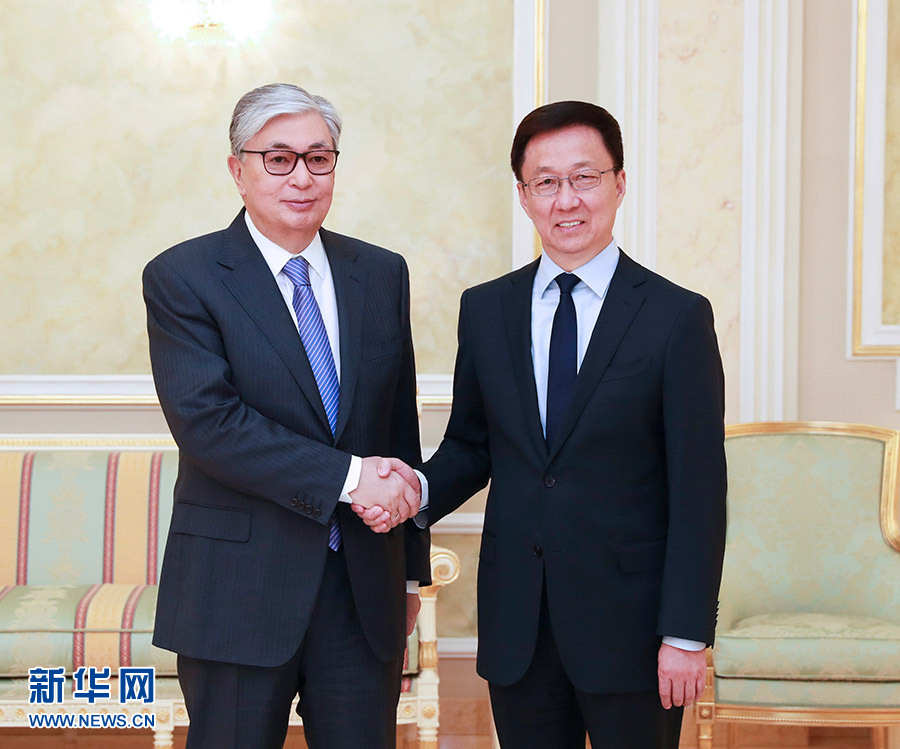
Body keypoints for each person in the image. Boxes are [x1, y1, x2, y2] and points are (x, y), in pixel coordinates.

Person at [360, 101, 726, 748]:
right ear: (524, 196)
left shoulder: (676, 317)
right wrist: (413, 490)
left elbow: (699, 490)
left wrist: (686, 633)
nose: (567, 200)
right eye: (546, 182)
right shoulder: (486, 309)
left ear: (619, 183)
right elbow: (472, 444)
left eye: (585, 177)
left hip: (634, 629)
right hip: (519, 623)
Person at [143, 83, 429, 749]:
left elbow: (399, 426)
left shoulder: (380, 272)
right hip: (236, 592)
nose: (301, 177)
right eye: (278, 159)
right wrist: (352, 478)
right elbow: (210, 425)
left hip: (362, 589)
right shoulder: (184, 276)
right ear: (237, 169)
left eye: (318, 158)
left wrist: (409, 570)